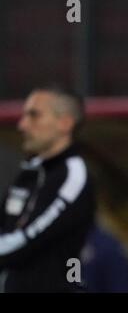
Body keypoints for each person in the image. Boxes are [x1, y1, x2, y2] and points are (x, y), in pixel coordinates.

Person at [0, 86, 96, 292]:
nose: (22, 125)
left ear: (65, 123)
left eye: (34, 115)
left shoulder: (72, 175)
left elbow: (30, 237)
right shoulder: (29, 173)